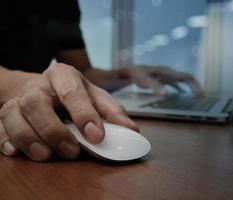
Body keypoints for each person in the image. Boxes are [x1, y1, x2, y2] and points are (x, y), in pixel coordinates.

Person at [0, 0, 202, 161]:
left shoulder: (63, 4)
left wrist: (124, 75)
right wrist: (34, 85)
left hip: (47, 111)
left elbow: (82, 69)